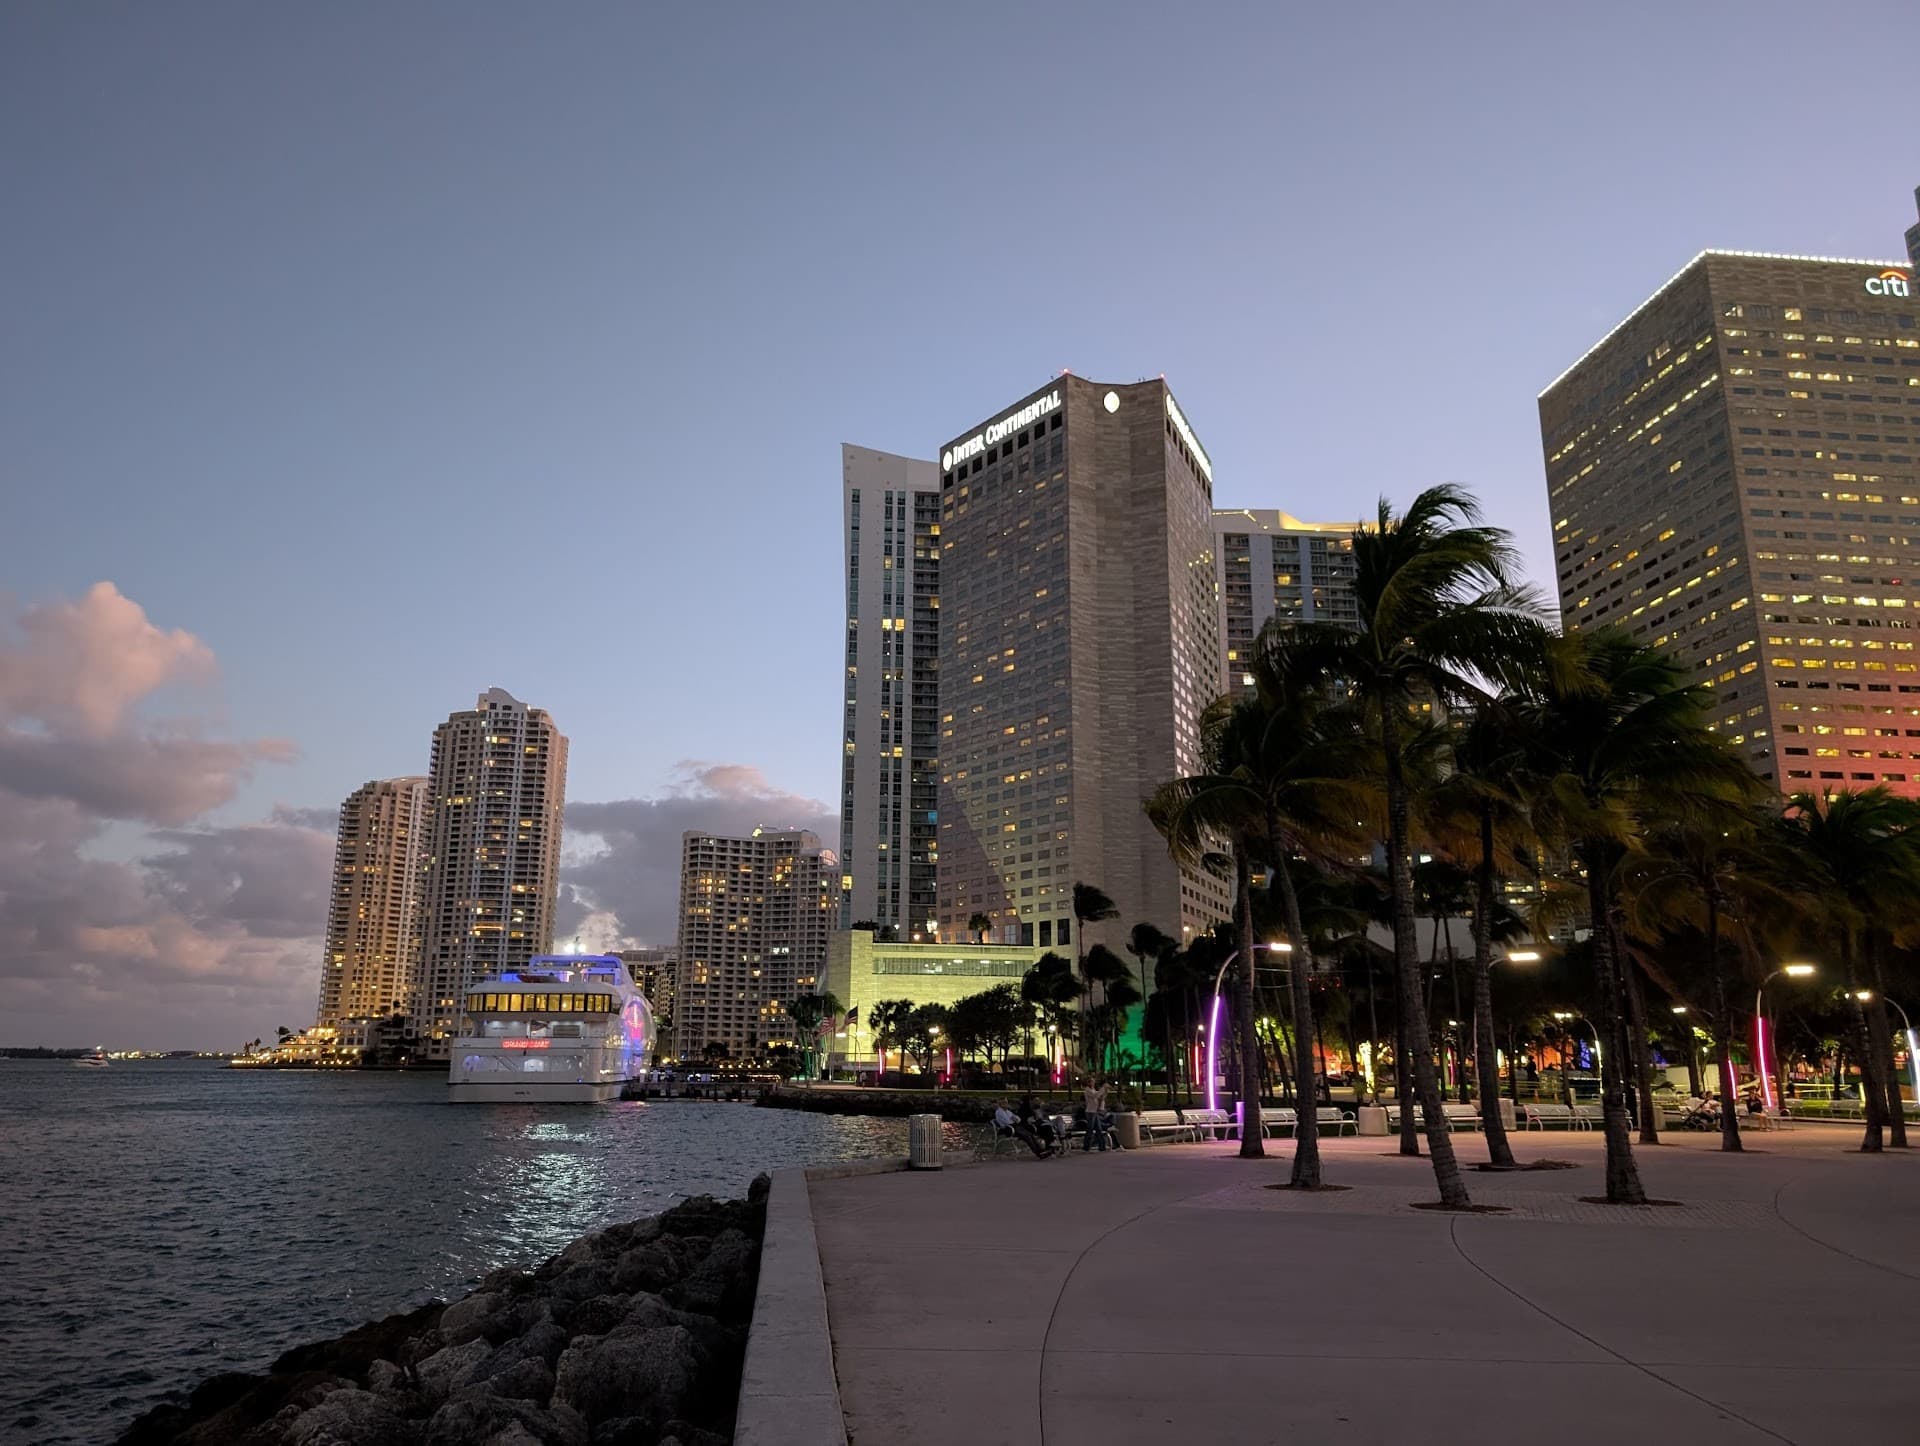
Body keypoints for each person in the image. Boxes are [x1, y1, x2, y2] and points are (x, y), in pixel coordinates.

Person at [1082, 1077, 1110, 1152]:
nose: (1093, 1083)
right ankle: (1086, 1146)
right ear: (1088, 1083)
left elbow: (1099, 1097)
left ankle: (1102, 1146)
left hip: (1095, 1111)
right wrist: (1103, 1088)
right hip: (1090, 1112)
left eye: (1093, 1082)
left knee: (1098, 1129)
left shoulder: (1093, 1090)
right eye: (1091, 1082)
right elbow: (1095, 1096)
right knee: (1090, 1129)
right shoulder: (1087, 1090)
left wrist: (1105, 1092)